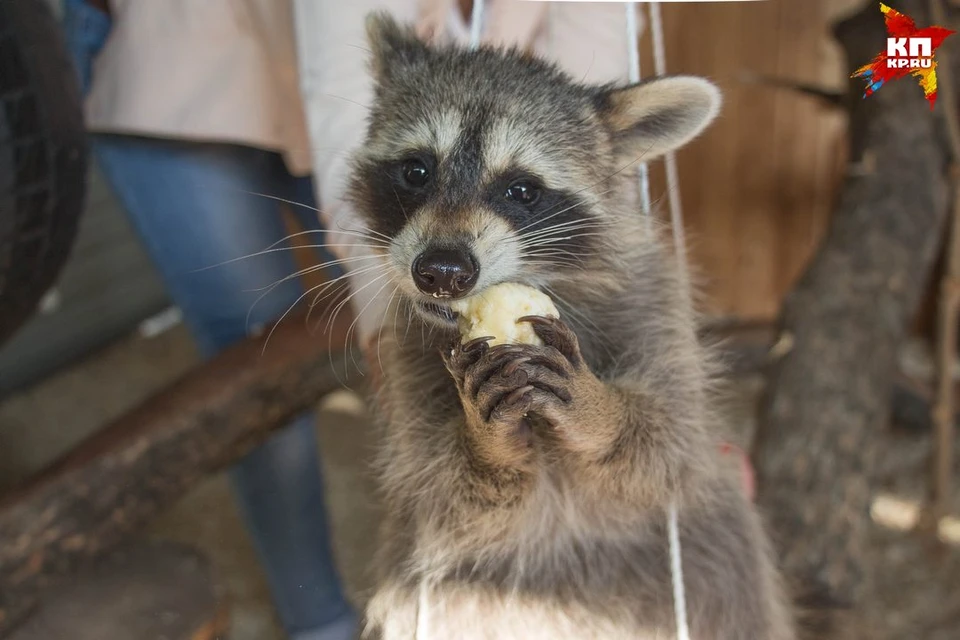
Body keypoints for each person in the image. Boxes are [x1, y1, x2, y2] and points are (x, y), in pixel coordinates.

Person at [62, 1, 361, 639]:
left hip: (345, 56)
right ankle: (321, 623)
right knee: (258, 367)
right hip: (175, 55)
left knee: (419, 334)